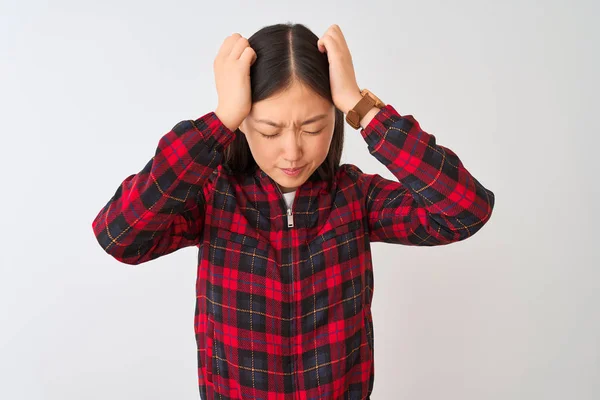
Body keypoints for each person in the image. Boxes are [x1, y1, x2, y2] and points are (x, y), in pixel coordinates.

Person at [92, 23, 495, 400]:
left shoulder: (355, 196)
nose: (292, 152)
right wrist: (219, 120)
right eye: (269, 131)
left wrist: (362, 107)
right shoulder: (213, 196)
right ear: (243, 124)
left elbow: (464, 210)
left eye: (314, 128)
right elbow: (119, 235)